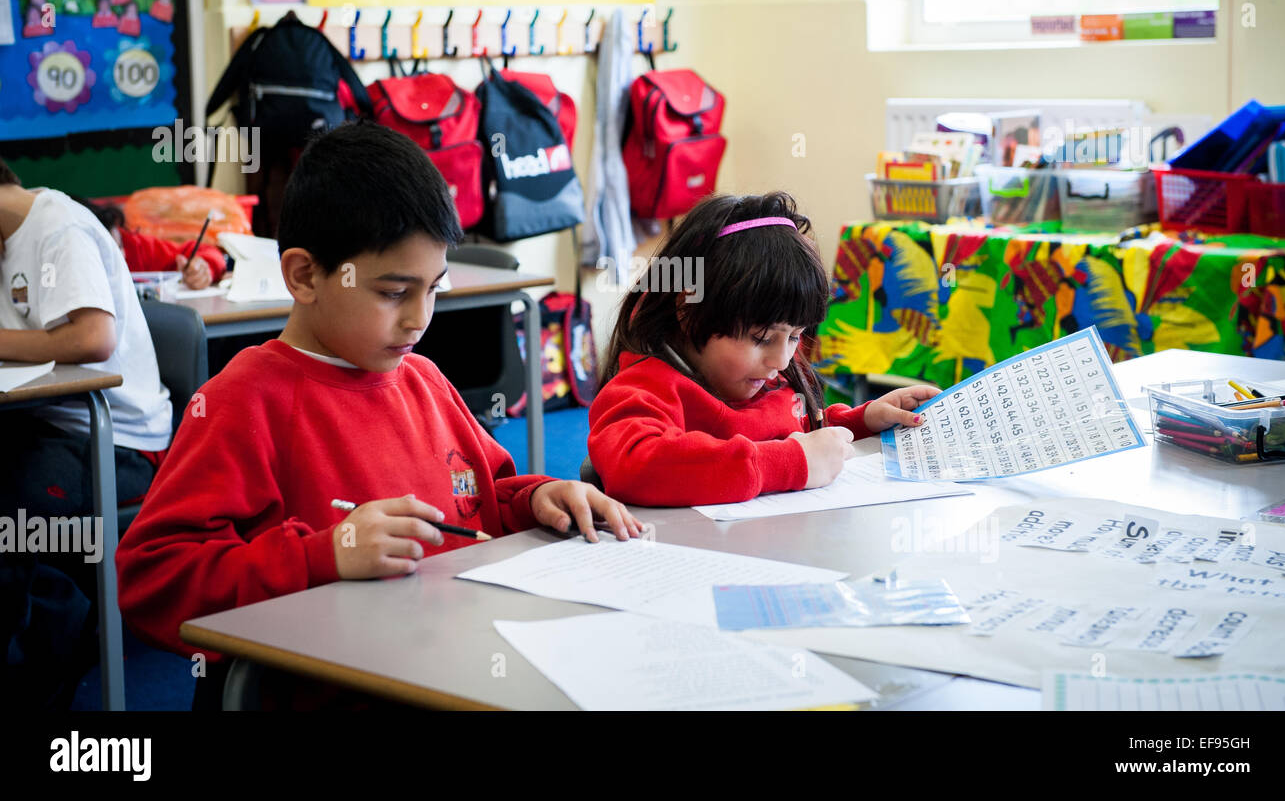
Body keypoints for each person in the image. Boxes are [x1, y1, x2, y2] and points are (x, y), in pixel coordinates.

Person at [116, 123, 641, 705]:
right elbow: (152, 580)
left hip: (452, 664)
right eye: (394, 292)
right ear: (305, 275)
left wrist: (538, 500)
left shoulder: (423, 378)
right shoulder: (244, 401)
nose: (420, 318)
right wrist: (325, 554)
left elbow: (486, 494)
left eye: (434, 289)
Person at [587, 192, 940, 506]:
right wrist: (790, 464)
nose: (782, 359)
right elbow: (638, 466)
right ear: (689, 310)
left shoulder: (765, 376)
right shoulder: (644, 389)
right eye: (761, 338)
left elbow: (792, 430)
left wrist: (861, 421)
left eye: (794, 336)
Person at [0, 160, 172, 708]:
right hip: (46, 425)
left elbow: (93, 340)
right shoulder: (5, 242)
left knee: (10, 518)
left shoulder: (57, 227)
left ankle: (35, 682)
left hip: (116, 441)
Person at [73, 196, 225, 290]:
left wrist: (203, 268)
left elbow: (210, 252)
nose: (121, 255)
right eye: (108, 254)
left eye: (119, 246)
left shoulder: (136, 247)